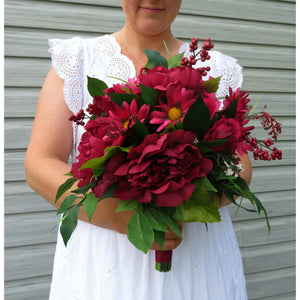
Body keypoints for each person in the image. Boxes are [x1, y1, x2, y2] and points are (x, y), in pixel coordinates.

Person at [24, 1, 252, 299]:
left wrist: (186, 202)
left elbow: (240, 166)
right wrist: (123, 219)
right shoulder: (79, 61)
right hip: (105, 261)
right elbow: (39, 162)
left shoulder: (217, 69)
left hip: (198, 256)